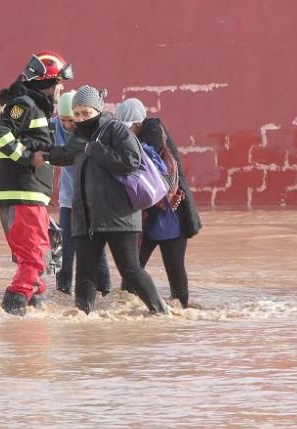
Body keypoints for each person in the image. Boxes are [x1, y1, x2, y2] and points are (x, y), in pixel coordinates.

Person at [46, 85, 168, 314]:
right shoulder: (79, 136)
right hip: (87, 219)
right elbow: (63, 155)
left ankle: (161, 312)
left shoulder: (116, 131)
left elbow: (131, 161)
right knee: (84, 273)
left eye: (87, 113)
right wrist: (38, 153)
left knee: (130, 270)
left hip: (118, 217)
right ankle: (83, 319)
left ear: (98, 111)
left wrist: (97, 150)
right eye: (78, 114)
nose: (82, 118)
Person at [0, 51, 72, 316]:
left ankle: (33, 322)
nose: (62, 89)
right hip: (23, 194)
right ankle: (13, 312)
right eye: (60, 83)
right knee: (35, 260)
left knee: (36, 260)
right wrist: (26, 157)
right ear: (49, 82)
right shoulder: (24, 104)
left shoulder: (36, 107)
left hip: (31, 195)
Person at [114, 98, 202, 308]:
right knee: (133, 268)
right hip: (152, 215)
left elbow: (141, 160)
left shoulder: (153, 132)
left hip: (170, 214)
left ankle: (179, 310)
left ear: (136, 124)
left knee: (170, 267)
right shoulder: (145, 134)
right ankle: (129, 308)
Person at [52, 89, 112, 296]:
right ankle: (62, 291)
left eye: (72, 120)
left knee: (96, 250)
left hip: (91, 201)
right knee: (65, 248)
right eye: (64, 120)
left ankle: (105, 290)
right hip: (68, 201)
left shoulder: (89, 130)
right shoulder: (53, 127)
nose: (68, 125)